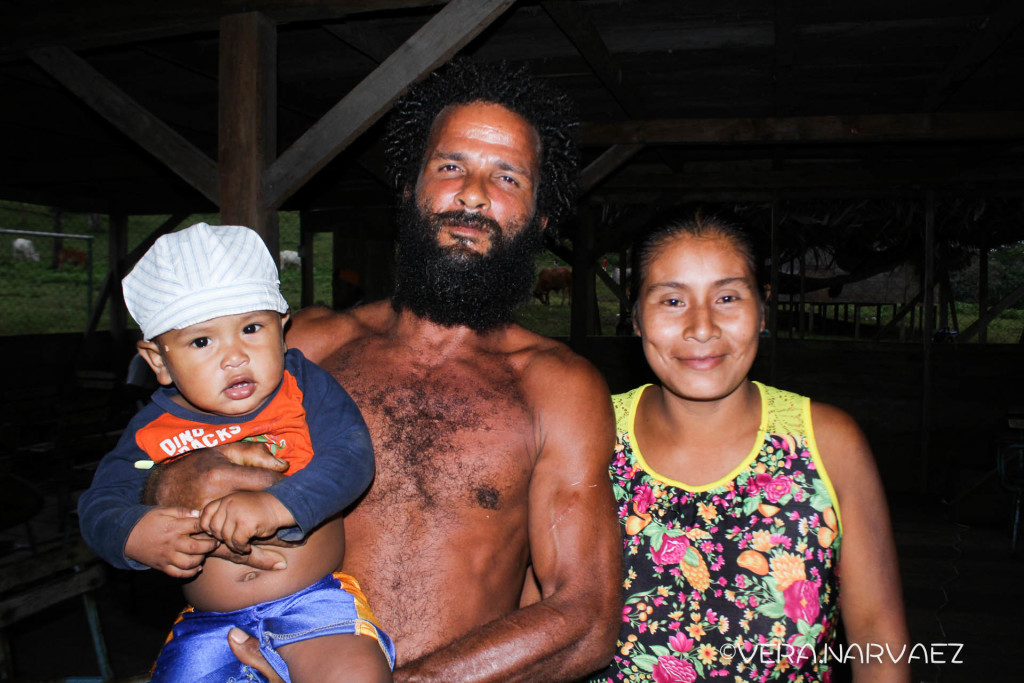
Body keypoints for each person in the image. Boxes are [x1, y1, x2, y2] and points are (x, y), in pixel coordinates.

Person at [140, 60, 623, 682]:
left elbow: (584, 616)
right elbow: (152, 473)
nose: (473, 194)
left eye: (506, 177)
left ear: (541, 219)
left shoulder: (556, 387)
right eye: (450, 166)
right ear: (409, 188)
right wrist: (177, 482)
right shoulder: (306, 347)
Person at [587, 213, 910, 682]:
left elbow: (878, 637)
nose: (702, 327)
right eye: (673, 300)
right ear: (635, 318)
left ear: (762, 308)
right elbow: (539, 616)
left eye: (727, 297)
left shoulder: (827, 442)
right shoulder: (588, 435)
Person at [78, 223, 394, 682]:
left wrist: (278, 504)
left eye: (251, 328)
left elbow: (351, 456)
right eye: (202, 341)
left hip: (314, 607)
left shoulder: (301, 389)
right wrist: (133, 532)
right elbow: (100, 503)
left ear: (282, 331)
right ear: (159, 361)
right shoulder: (150, 434)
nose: (235, 356)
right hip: (208, 625)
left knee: (355, 673)